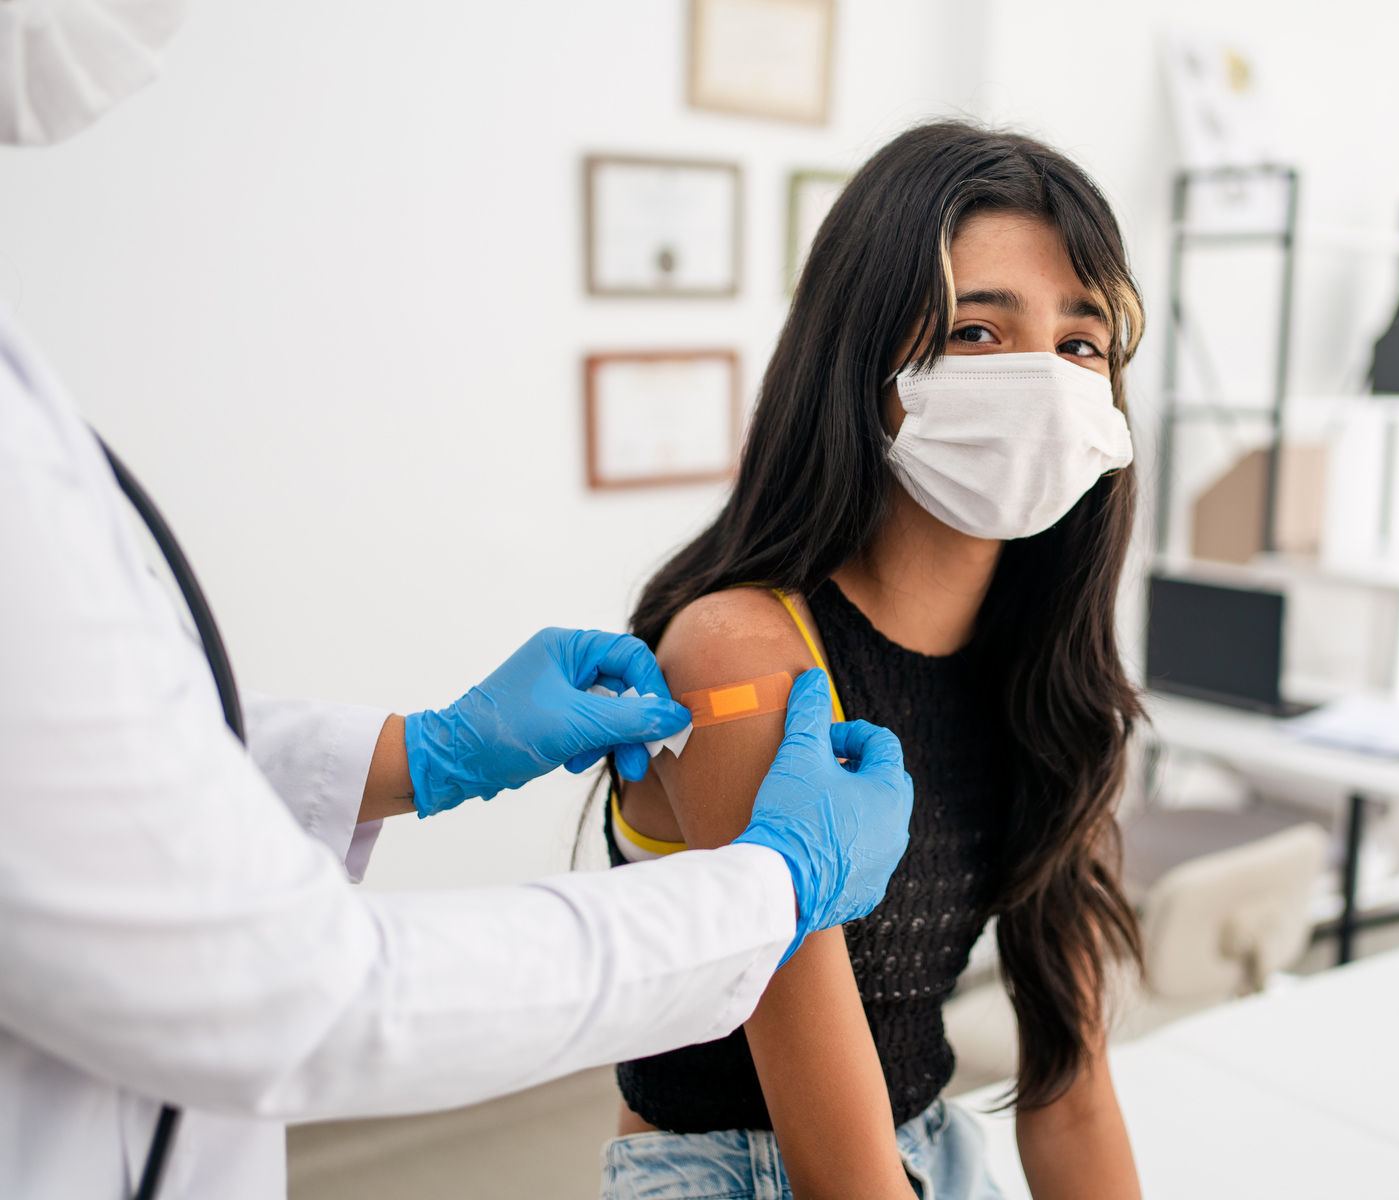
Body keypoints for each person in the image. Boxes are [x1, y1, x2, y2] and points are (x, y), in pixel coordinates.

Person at [0, 5, 914, 1198]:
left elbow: (76, 761)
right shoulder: (739, 639)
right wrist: (772, 885)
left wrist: (411, 756)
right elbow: (296, 993)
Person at [596, 122, 1147, 1200]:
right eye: (980, 331)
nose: (1042, 376)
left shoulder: (1043, 674)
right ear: (864, 357)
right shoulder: (743, 653)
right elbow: (838, 1172)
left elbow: (1072, 1097)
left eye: (1081, 344)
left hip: (934, 1152)